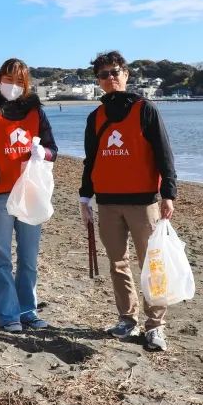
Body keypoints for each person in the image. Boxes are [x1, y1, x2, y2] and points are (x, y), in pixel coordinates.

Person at [79, 51, 178, 352]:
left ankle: (155, 325)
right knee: (118, 263)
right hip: (108, 202)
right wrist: (85, 197)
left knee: (152, 264)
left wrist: (169, 193)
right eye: (103, 74)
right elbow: (90, 160)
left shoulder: (145, 109)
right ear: (98, 81)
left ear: (126, 74)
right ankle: (127, 318)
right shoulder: (96, 117)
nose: (110, 78)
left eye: (114, 72)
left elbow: (164, 153)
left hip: (143, 202)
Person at [0, 58, 58, 332]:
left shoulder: (36, 114)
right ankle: (7, 314)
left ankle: (28, 310)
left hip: (29, 193)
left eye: (20, 82)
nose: (14, 86)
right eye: (9, 80)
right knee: (2, 257)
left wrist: (44, 153)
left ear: (27, 85)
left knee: (28, 257)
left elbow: (53, 149)